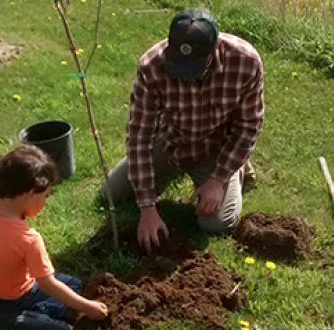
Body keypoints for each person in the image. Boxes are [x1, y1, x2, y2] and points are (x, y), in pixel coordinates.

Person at [101, 7, 265, 253]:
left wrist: (217, 180)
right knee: (109, 195)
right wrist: (147, 208)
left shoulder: (245, 62)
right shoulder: (151, 66)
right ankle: (170, 174)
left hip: (215, 147)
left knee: (216, 223)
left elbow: (248, 125)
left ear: (215, 49)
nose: (185, 77)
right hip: (170, 141)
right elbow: (139, 136)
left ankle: (236, 170)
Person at [0, 145, 108, 330]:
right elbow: (48, 284)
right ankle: (19, 316)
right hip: (16, 298)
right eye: (46, 195)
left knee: (72, 283)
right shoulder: (28, 239)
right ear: (30, 193)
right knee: (67, 313)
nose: (46, 201)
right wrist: (88, 307)